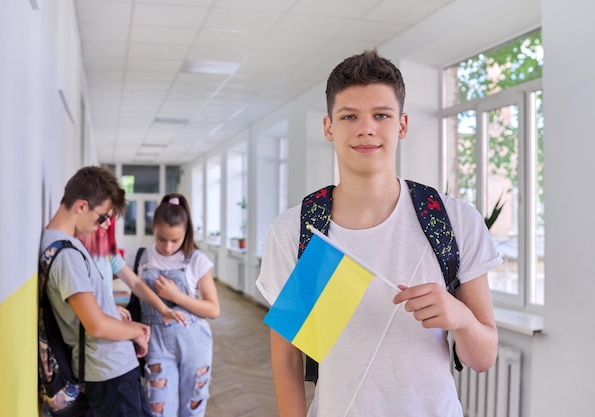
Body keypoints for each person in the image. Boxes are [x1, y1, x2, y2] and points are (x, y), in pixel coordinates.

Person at [255, 49, 503, 417]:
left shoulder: (452, 220)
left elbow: (483, 358)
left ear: (401, 125)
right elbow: (288, 361)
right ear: (329, 127)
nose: (366, 128)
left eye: (381, 115)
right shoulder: (300, 231)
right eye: (349, 116)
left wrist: (461, 317)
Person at [40, 165, 153, 416]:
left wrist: (115, 312)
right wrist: (135, 330)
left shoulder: (68, 246)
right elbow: (96, 325)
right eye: (102, 216)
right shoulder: (67, 255)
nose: (105, 224)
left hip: (113, 367)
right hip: (108, 370)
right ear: (81, 206)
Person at [126, 193, 220, 416]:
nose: (167, 247)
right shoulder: (139, 258)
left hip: (195, 343)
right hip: (157, 345)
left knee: (192, 409)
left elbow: (213, 309)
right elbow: (102, 273)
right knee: (158, 408)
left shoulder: (197, 260)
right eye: (161, 238)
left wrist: (176, 296)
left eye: (175, 240)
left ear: (186, 233)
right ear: (153, 228)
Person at [75, 215, 187, 325]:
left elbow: (135, 283)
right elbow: (79, 301)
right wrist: (109, 310)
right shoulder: (72, 252)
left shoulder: (106, 250)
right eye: (104, 217)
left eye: (110, 217)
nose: (108, 223)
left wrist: (165, 311)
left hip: (104, 325)